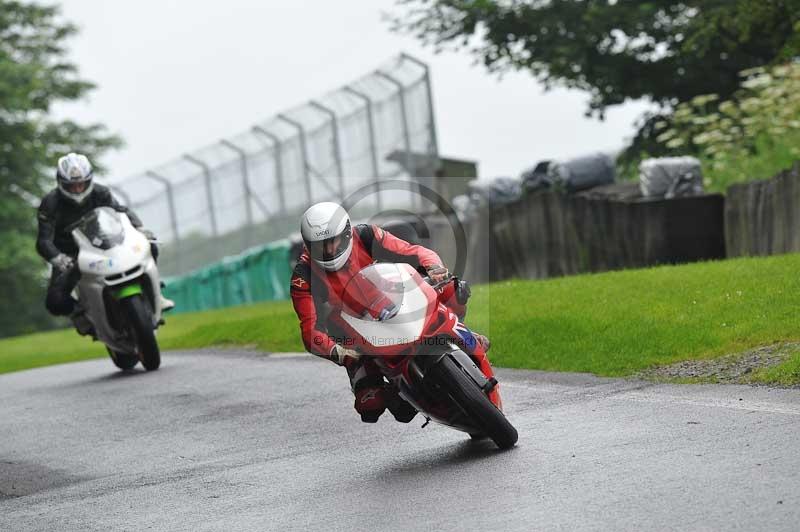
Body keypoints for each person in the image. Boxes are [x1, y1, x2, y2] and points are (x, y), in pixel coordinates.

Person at [290, 201, 493, 423]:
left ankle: (466, 336)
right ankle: (399, 394)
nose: (328, 250)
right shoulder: (303, 277)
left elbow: (414, 252)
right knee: (370, 404)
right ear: (308, 244)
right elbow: (310, 332)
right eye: (320, 245)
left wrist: (433, 268)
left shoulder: (367, 235)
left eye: (332, 241)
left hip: (391, 299)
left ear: (347, 233)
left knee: (454, 289)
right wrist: (339, 352)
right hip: (353, 334)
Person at [36, 153, 174, 335]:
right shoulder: (50, 203)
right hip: (69, 254)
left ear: (90, 180)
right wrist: (59, 259)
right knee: (55, 302)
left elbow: (120, 211)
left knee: (150, 245)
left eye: (82, 184)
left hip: (102, 242)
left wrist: (139, 229)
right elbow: (43, 240)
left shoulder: (101, 192)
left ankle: (157, 294)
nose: (77, 189)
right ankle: (80, 315)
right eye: (72, 185)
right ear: (61, 182)